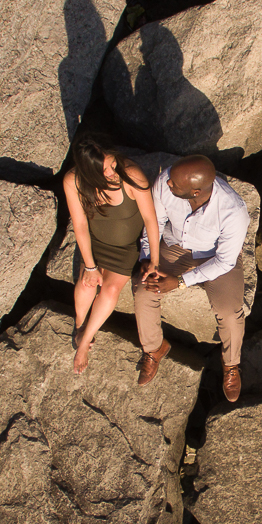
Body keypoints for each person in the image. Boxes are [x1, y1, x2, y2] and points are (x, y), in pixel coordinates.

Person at [134, 155, 248, 401]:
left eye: (174, 184)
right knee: (144, 288)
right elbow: (153, 222)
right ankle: (155, 348)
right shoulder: (166, 181)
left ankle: (230, 364)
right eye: (170, 179)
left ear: (196, 191)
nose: (167, 184)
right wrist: (148, 256)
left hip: (214, 257)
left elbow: (226, 261)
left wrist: (182, 282)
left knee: (229, 311)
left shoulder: (233, 210)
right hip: (175, 247)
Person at [62, 132, 160, 375]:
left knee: (110, 289)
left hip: (126, 248)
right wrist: (91, 265)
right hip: (96, 242)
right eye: (103, 170)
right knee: (87, 284)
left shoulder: (131, 175)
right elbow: (81, 226)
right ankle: (79, 326)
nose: (111, 172)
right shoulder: (73, 181)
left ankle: (84, 343)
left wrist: (155, 261)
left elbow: (150, 219)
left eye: (112, 163)